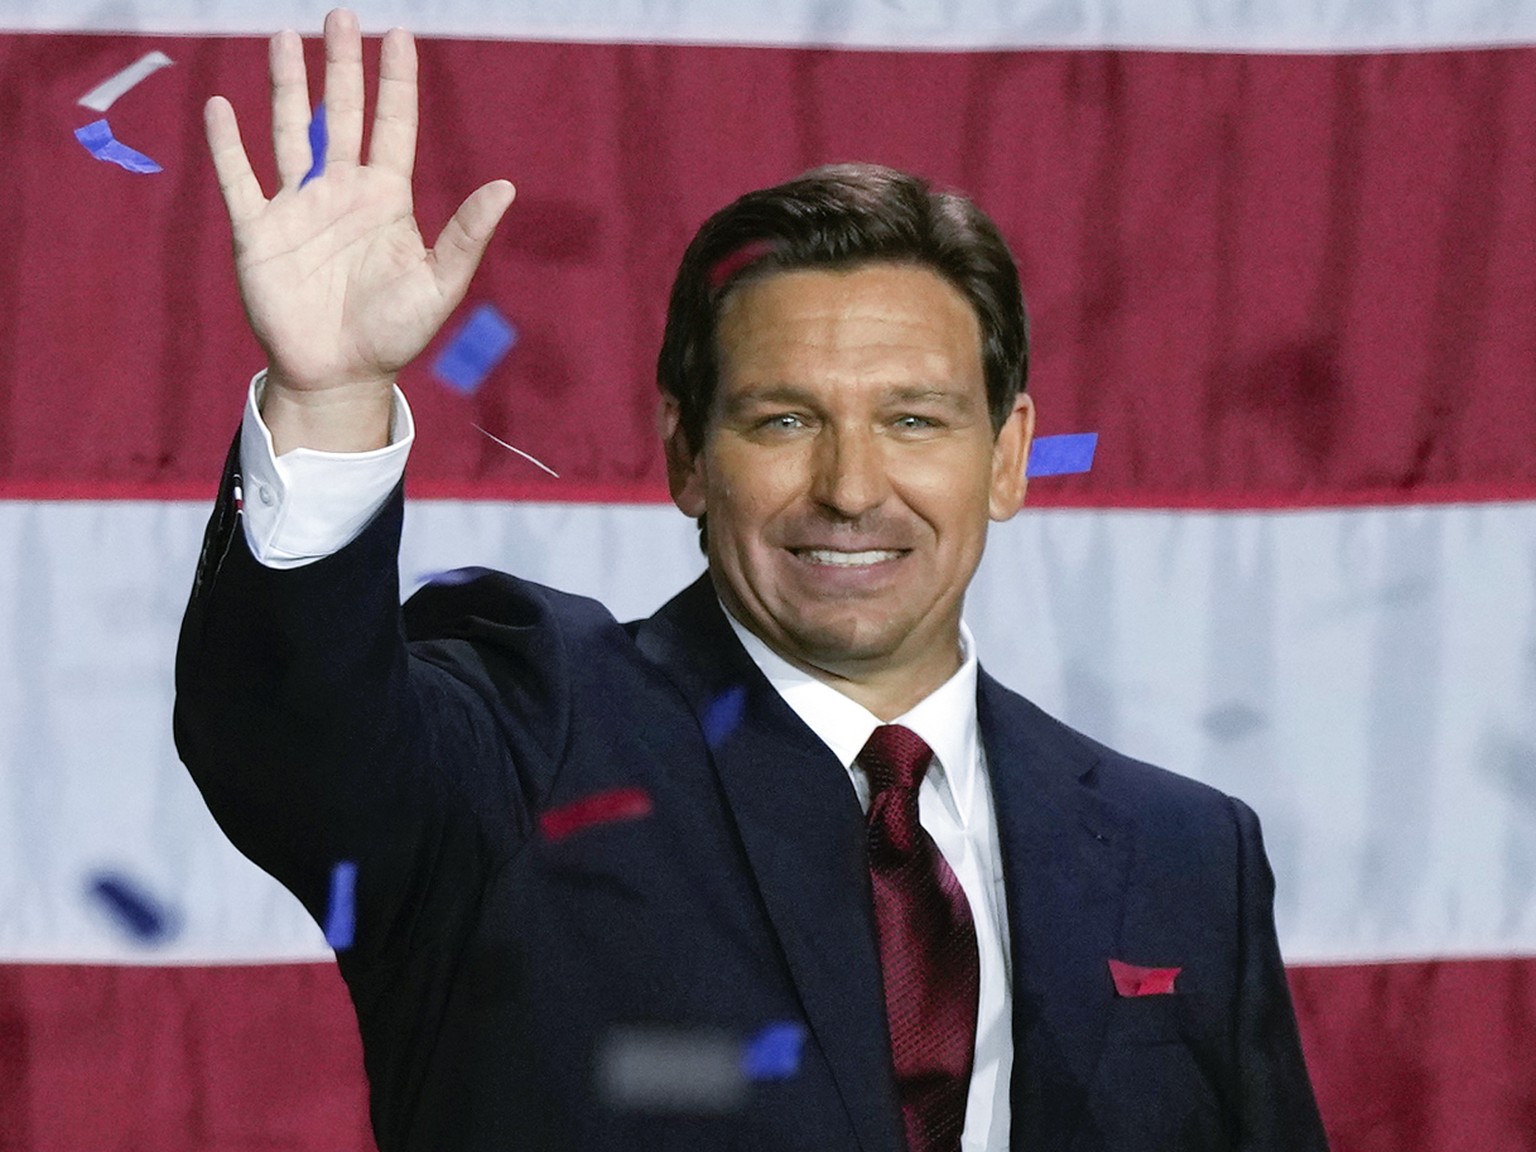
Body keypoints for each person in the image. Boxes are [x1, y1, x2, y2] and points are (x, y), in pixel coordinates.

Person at [175, 9, 1329, 1151]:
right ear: (686, 453)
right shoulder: (531, 734)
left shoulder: (1183, 854)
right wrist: (327, 402)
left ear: (1010, 455)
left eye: (914, 420)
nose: (851, 486)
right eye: (785, 420)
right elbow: (299, 751)